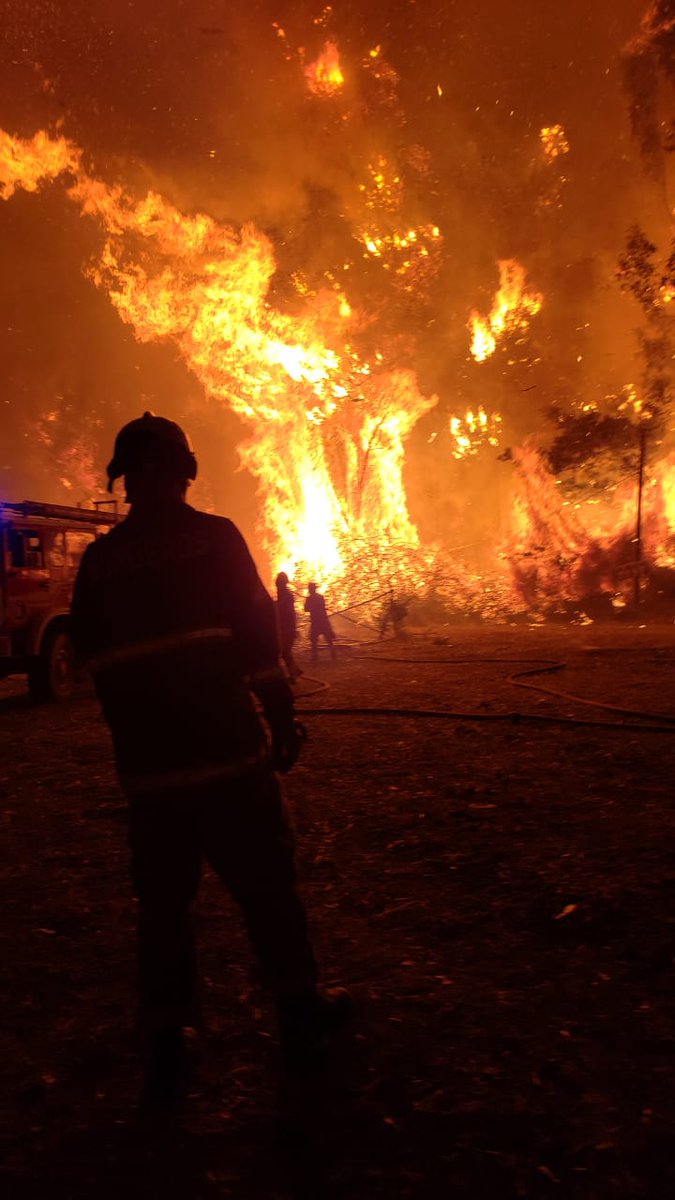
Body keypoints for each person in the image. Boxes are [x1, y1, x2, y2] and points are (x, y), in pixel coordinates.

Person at [70, 412, 349, 1109]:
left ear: (126, 481)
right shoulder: (214, 538)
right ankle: (299, 1020)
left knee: (163, 908)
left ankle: (165, 1050)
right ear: (183, 471)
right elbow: (258, 639)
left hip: (150, 773)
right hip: (227, 758)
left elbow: (91, 660)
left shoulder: (100, 562)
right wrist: (281, 718)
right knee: (266, 890)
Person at [275, 571, 302, 682]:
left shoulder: (287, 596)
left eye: (279, 583)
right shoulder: (283, 595)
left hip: (287, 628)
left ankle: (294, 675)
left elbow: (284, 610)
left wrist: (274, 605)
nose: (278, 586)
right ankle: (295, 671)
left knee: (285, 652)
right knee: (284, 652)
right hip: (284, 628)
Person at [304, 581, 337, 663]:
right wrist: (310, 605)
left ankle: (332, 655)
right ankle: (317, 656)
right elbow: (306, 609)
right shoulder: (317, 597)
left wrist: (311, 605)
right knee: (315, 639)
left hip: (319, 621)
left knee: (325, 639)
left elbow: (308, 609)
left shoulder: (313, 598)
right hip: (319, 621)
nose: (310, 590)